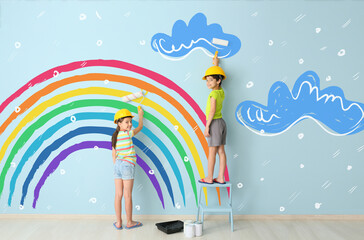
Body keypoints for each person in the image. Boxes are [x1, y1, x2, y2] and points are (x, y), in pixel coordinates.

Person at [111, 107, 144, 230]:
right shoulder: (127, 134)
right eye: (127, 122)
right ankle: (129, 222)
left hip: (117, 165)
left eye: (131, 122)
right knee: (128, 195)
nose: (130, 124)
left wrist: (117, 165)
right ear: (119, 123)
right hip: (127, 165)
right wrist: (140, 115)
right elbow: (140, 127)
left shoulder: (115, 136)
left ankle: (119, 222)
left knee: (118, 195)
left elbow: (113, 155)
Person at [199, 56, 227, 185]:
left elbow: (212, 111)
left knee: (212, 152)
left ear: (218, 81)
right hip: (221, 123)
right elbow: (219, 76)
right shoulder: (221, 92)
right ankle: (220, 177)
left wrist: (206, 126)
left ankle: (209, 177)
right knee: (221, 151)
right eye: (207, 80)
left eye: (211, 80)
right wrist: (216, 64)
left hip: (214, 123)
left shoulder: (213, 95)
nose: (208, 83)